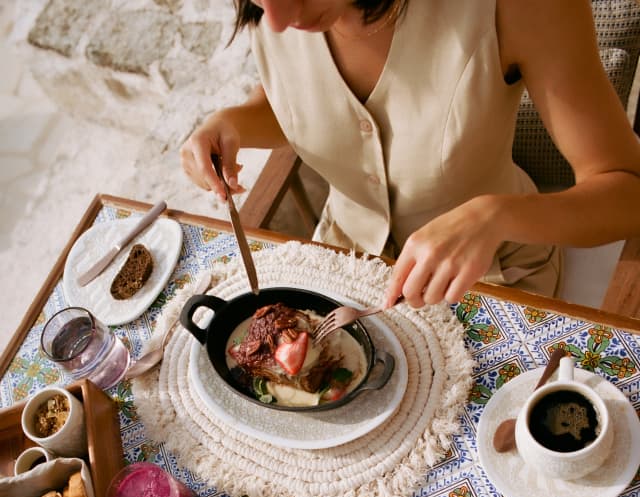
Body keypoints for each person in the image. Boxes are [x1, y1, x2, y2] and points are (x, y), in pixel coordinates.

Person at [180, 0, 640, 309]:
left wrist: (493, 216)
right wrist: (234, 121)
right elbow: (306, 98)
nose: (277, 22)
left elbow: (627, 193)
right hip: (341, 270)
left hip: (488, 281)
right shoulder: (284, 12)